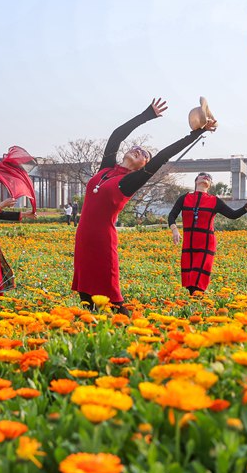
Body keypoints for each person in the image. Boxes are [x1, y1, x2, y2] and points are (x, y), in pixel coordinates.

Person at [72, 98, 215, 315]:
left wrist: (194, 135)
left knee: (111, 298)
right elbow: (116, 135)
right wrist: (146, 115)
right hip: (83, 238)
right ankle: (92, 331)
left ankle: (128, 328)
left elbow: (162, 157)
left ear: (143, 167)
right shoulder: (106, 169)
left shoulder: (128, 181)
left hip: (102, 241)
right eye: (137, 148)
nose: (140, 151)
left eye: (145, 155)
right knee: (85, 296)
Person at [168, 173, 247, 294]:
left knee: (198, 277)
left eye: (209, 177)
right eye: (202, 175)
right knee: (190, 277)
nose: (206, 177)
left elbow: (232, 215)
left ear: (210, 185)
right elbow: (172, 215)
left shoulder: (214, 201)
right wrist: (174, 230)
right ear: (196, 180)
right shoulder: (184, 198)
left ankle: (196, 302)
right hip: (189, 244)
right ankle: (194, 303)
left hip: (206, 243)